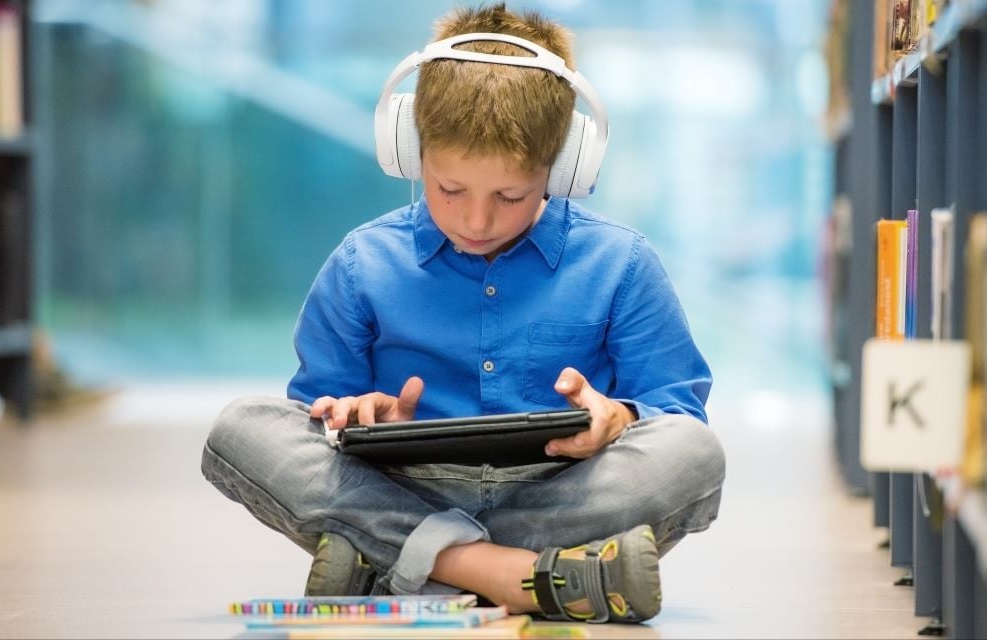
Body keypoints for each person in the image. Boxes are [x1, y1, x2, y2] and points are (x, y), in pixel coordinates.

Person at [201, 3, 725, 625]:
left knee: (693, 451)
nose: (477, 220)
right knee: (242, 428)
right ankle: (526, 575)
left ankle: (406, 564)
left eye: (510, 195)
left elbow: (677, 409)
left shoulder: (622, 263)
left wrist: (619, 417)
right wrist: (361, 417)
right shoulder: (362, 263)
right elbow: (317, 416)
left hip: (561, 490)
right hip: (404, 486)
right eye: (450, 189)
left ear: (564, 166)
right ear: (409, 150)